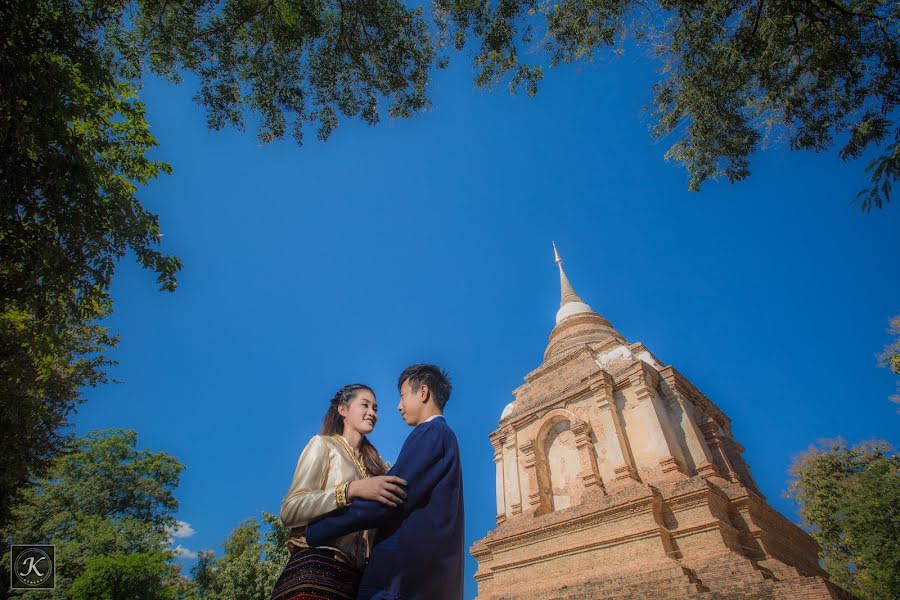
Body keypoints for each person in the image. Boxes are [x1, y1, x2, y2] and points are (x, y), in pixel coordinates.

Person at [306, 364, 464, 600]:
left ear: (422, 393)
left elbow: (389, 497)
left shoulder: (431, 433)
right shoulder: (446, 439)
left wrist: (320, 528)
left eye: (402, 396)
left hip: (400, 581)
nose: (399, 406)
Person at [270, 384, 408, 600]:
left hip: (356, 583)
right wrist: (349, 490)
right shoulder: (322, 445)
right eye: (365, 405)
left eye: (375, 408)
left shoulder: (374, 470)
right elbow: (290, 510)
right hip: (313, 573)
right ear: (342, 410)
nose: (372, 413)